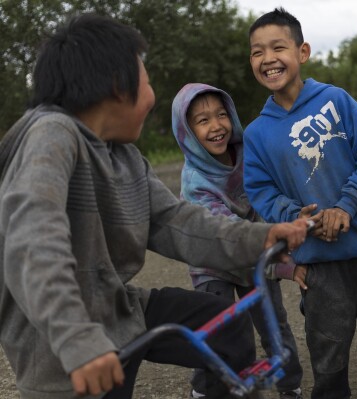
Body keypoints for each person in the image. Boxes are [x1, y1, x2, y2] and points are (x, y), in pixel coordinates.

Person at [0, 13, 309, 399]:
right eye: (146, 82)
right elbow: (32, 240)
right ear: (117, 86)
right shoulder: (51, 134)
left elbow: (174, 221)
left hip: (116, 310)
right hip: (58, 346)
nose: (152, 98)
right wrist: (77, 338)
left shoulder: (124, 155)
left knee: (226, 328)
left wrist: (260, 237)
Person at [243, 7, 357, 399]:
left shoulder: (336, 100)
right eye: (258, 52)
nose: (268, 58)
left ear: (302, 51)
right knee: (328, 356)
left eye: (278, 47)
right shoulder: (256, 133)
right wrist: (297, 216)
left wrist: (346, 206)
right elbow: (261, 192)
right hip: (318, 262)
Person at [171, 83, 304, 399]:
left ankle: (290, 385)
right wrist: (282, 267)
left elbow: (267, 195)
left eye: (221, 115)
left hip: (255, 249)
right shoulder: (195, 184)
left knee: (274, 322)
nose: (216, 126)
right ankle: (203, 389)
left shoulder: (248, 155)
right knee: (220, 328)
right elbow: (226, 234)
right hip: (213, 259)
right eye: (203, 121)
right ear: (186, 132)